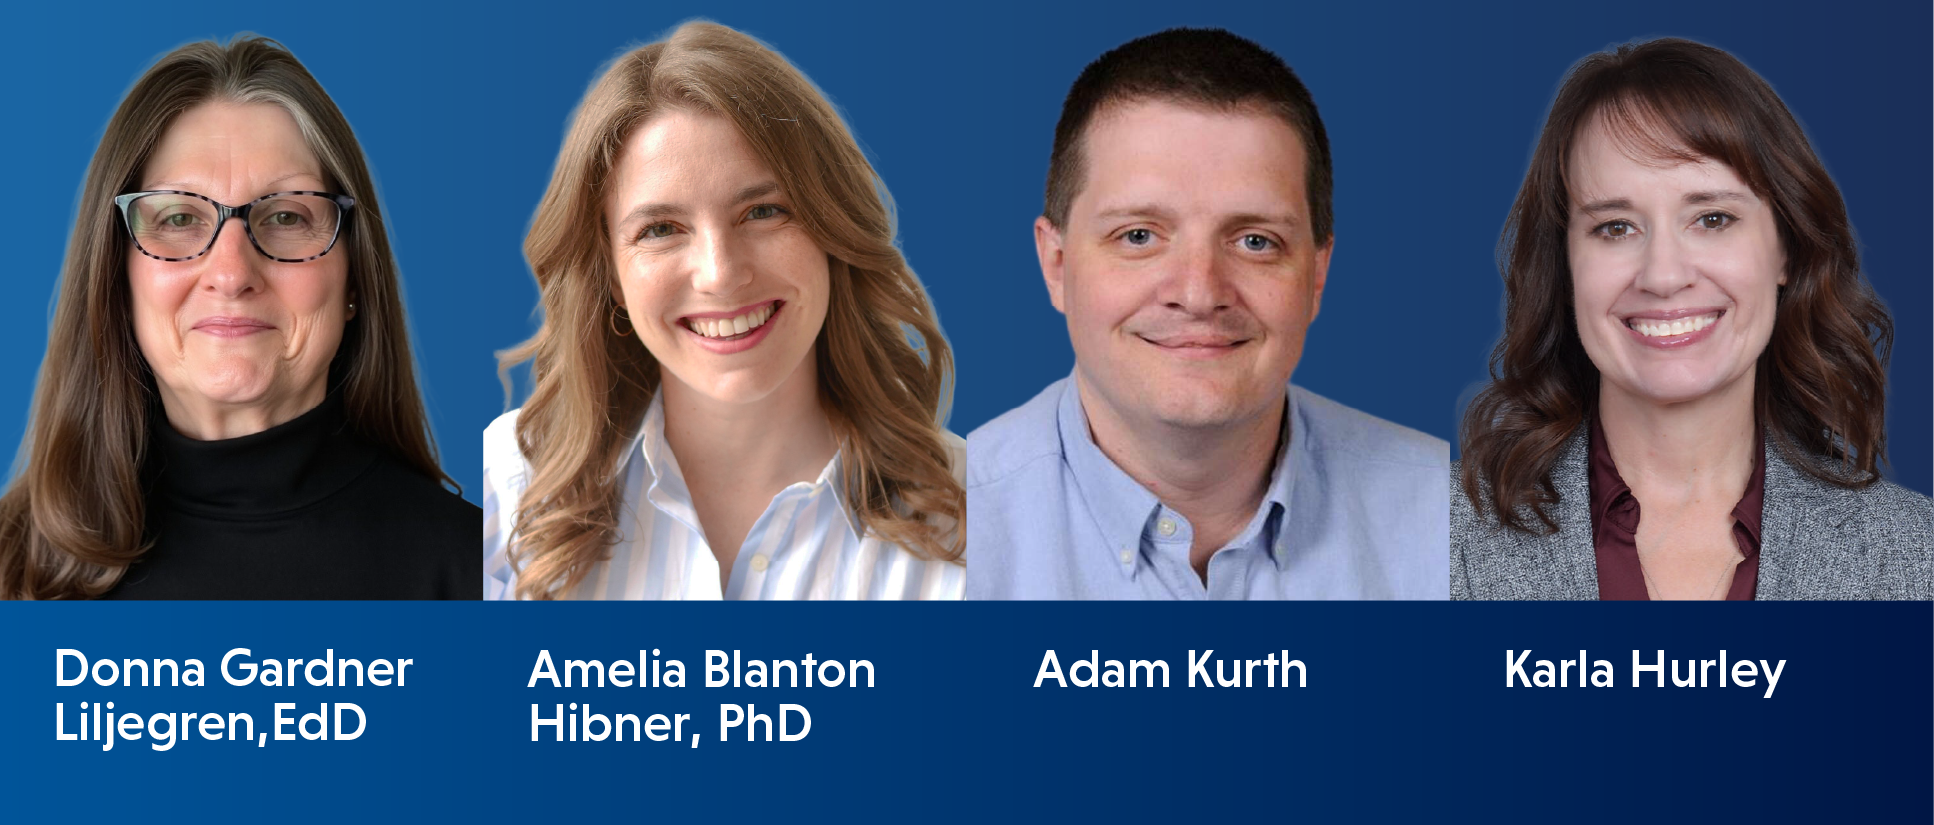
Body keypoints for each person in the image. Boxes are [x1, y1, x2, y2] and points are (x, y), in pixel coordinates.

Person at [484, 22, 964, 600]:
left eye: (763, 212)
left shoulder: (984, 514)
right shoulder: (503, 491)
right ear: (609, 273)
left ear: (831, 229)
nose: (720, 272)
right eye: (661, 229)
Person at [966, 28, 1448, 600]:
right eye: (1139, 235)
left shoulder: (1458, 523)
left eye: (1255, 242)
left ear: (1316, 275)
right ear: (1056, 264)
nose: (1198, 293)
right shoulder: (934, 532)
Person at [1452, 38, 1933, 600]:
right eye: (1615, 227)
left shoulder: (1913, 561)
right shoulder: (1430, 541)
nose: (1662, 275)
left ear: (1786, 249)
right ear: (1565, 267)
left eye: (1712, 218)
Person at [0, 36, 479, 600]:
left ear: (354, 281)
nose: (230, 273)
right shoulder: (11, 570)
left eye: (285, 215)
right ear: (116, 279)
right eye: (179, 217)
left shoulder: (486, 578)